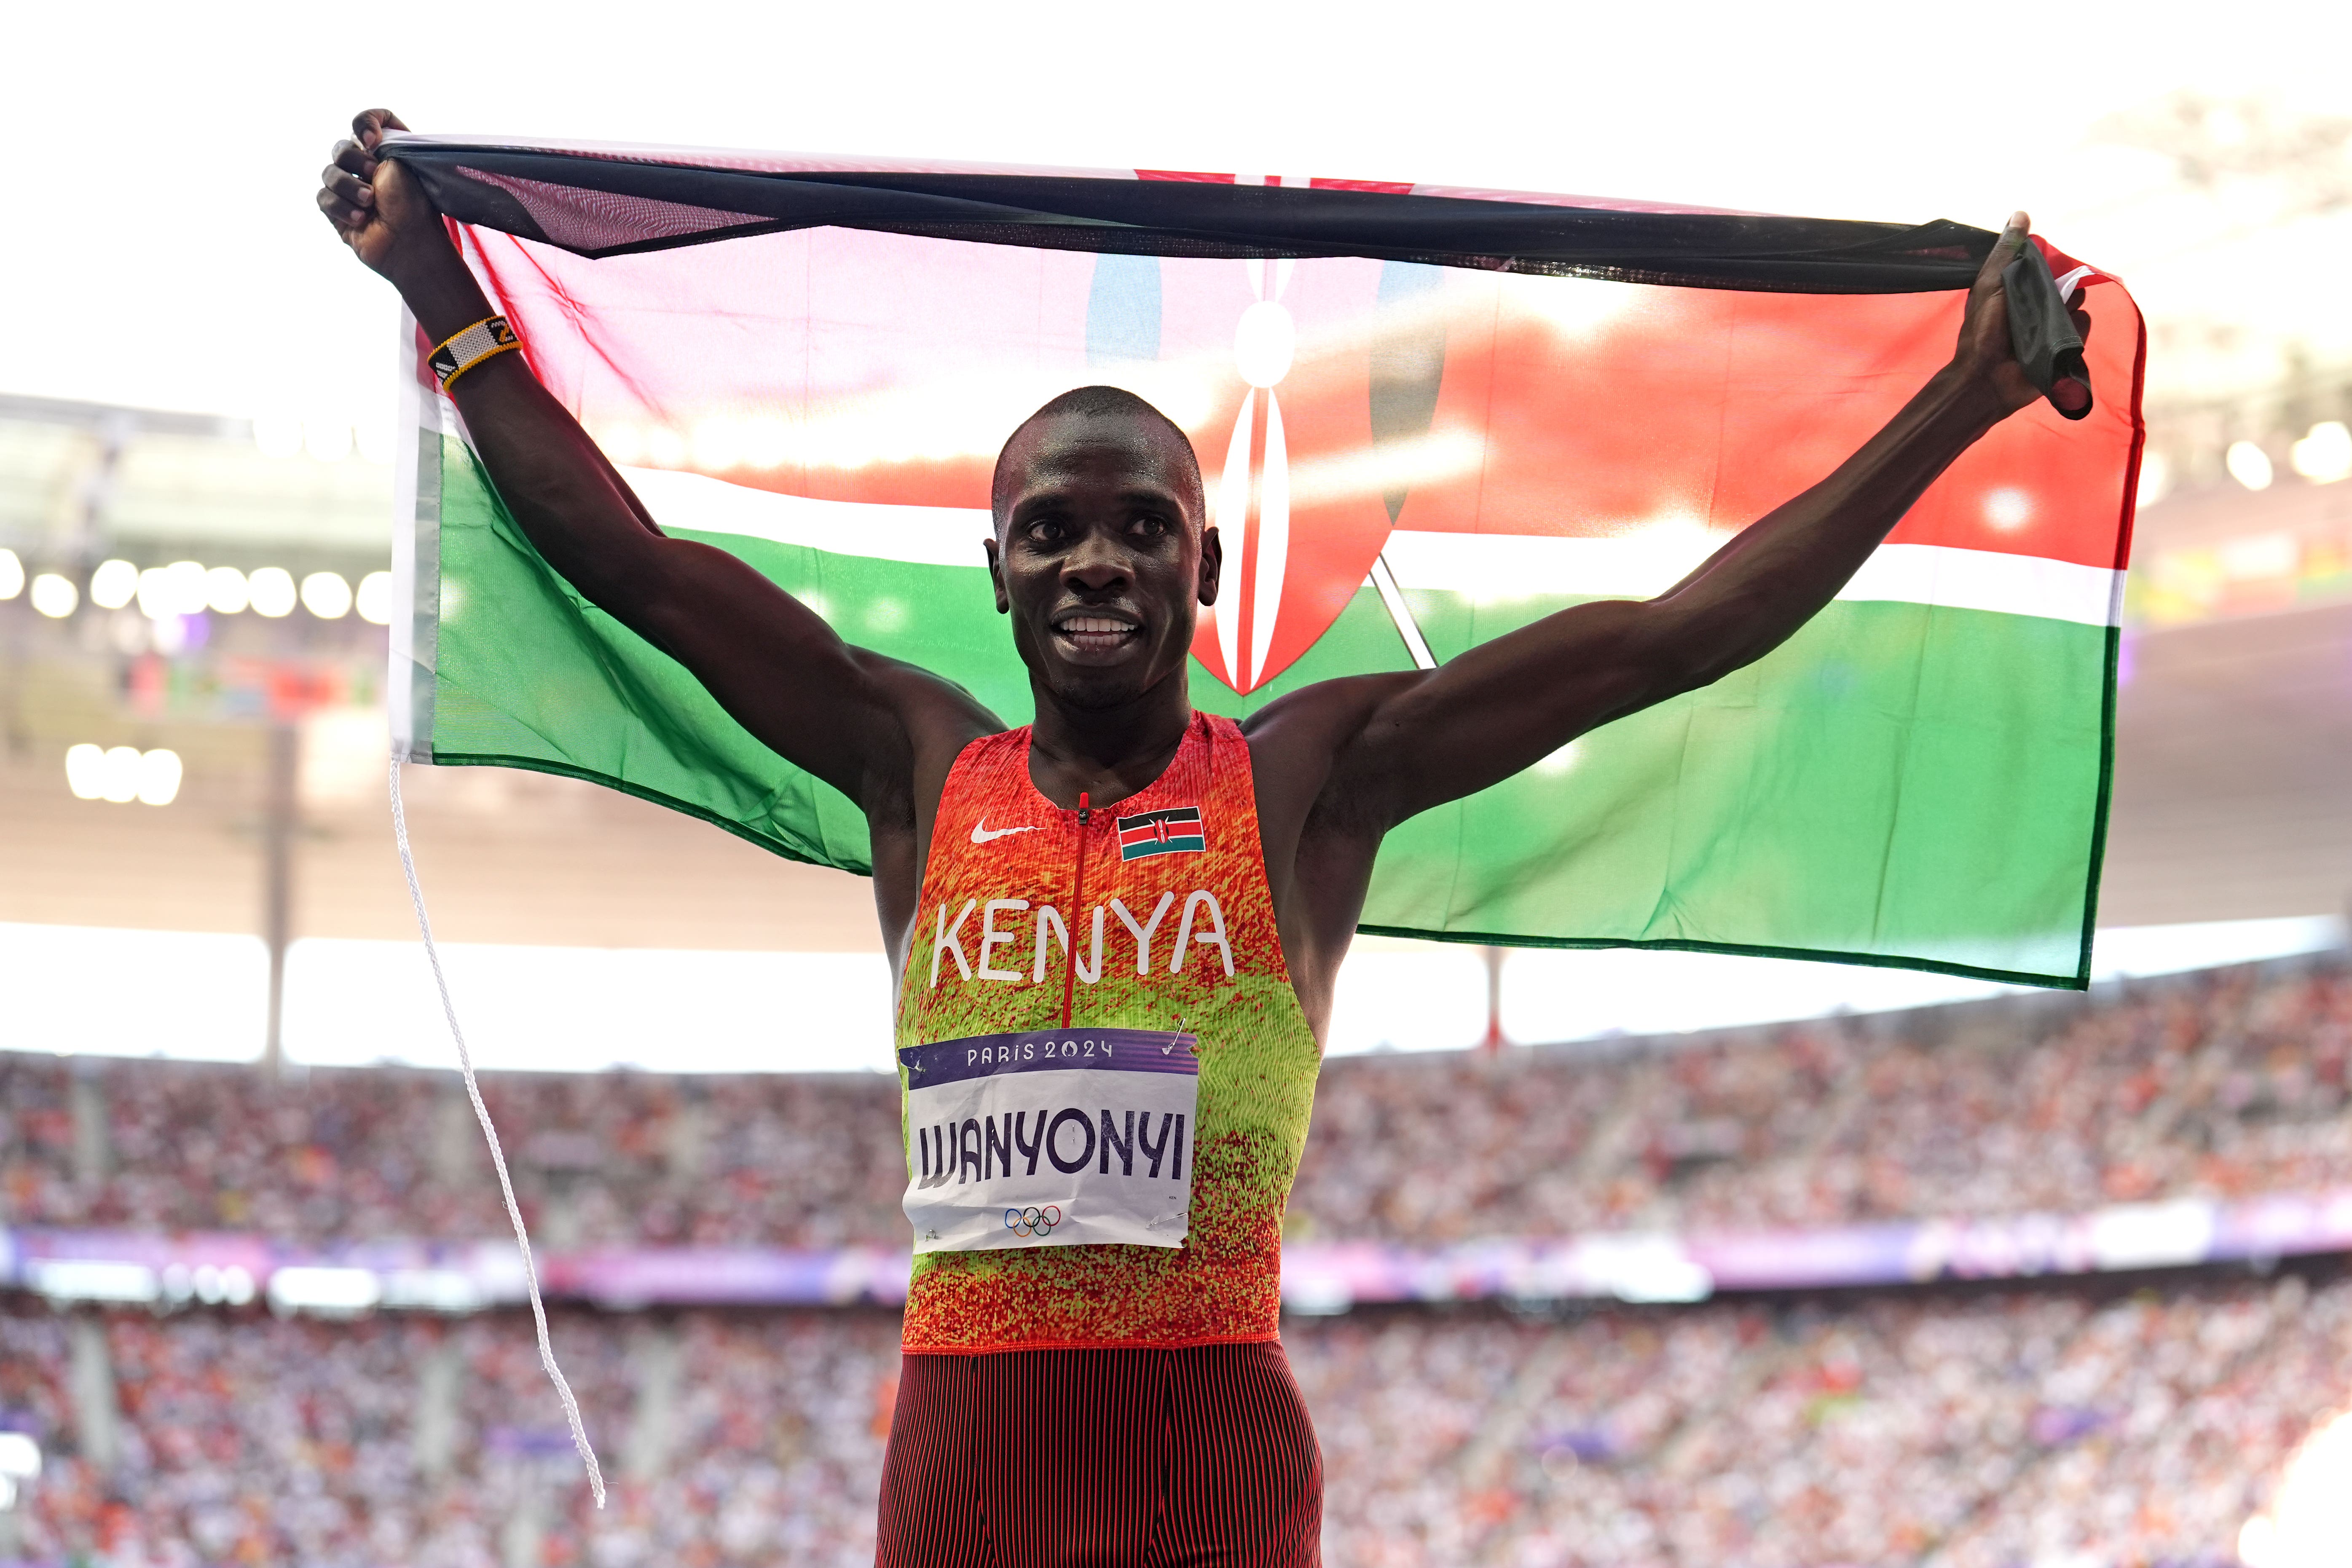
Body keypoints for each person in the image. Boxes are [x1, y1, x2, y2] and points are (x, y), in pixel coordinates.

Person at [318, 109, 2089, 1567]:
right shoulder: (910, 762)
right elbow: (625, 563)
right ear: (997, 571)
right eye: (1052, 529)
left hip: (1212, 1463)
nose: (1097, 561)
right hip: (963, 1465)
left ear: (1208, 568)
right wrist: (436, 290)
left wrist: (1959, 398)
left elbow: (1673, 632)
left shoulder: (1315, 773)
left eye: (1143, 526)